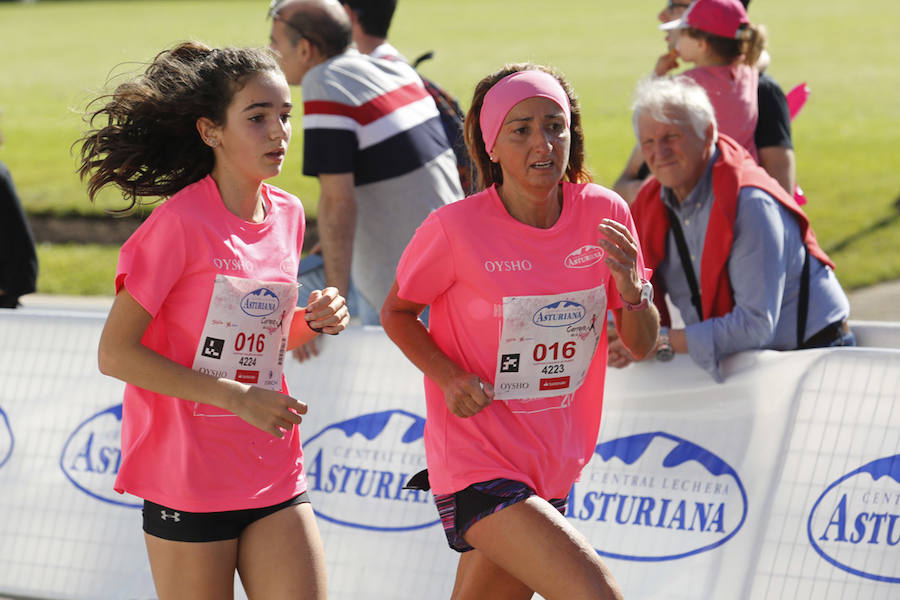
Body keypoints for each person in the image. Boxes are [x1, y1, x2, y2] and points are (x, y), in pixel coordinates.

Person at [76, 41, 349, 599]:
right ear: (211, 132)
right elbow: (115, 354)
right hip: (189, 481)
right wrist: (232, 397)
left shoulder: (289, 215)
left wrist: (311, 321)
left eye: (284, 115)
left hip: (270, 464)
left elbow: (260, 341)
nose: (278, 132)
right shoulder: (177, 225)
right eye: (257, 117)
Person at [381, 63, 659, 600]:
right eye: (522, 129)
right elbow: (397, 312)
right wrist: (449, 376)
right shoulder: (454, 229)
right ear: (492, 147)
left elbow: (643, 343)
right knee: (595, 593)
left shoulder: (605, 213)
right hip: (477, 460)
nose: (544, 143)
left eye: (556, 126)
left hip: (553, 464)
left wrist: (631, 289)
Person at [612, 76, 852, 381]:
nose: (660, 152)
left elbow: (754, 325)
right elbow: (628, 293)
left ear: (708, 132)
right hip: (750, 365)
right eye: (648, 142)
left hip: (815, 358)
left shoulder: (750, 203)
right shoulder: (650, 202)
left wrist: (657, 341)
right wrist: (624, 336)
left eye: (671, 136)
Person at [267, 0, 462, 356]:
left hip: (408, 291)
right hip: (453, 267)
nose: (270, 51)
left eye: (275, 42)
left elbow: (338, 200)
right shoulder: (389, 67)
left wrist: (331, 306)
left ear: (306, 49)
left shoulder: (323, 80)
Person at [613, 0, 795, 203]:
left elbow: (646, 110)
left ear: (702, 44)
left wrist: (657, 75)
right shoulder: (748, 74)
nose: (678, 37)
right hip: (740, 186)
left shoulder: (682, 86)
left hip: (689, 191)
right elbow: (757, 60)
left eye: (683, 32)